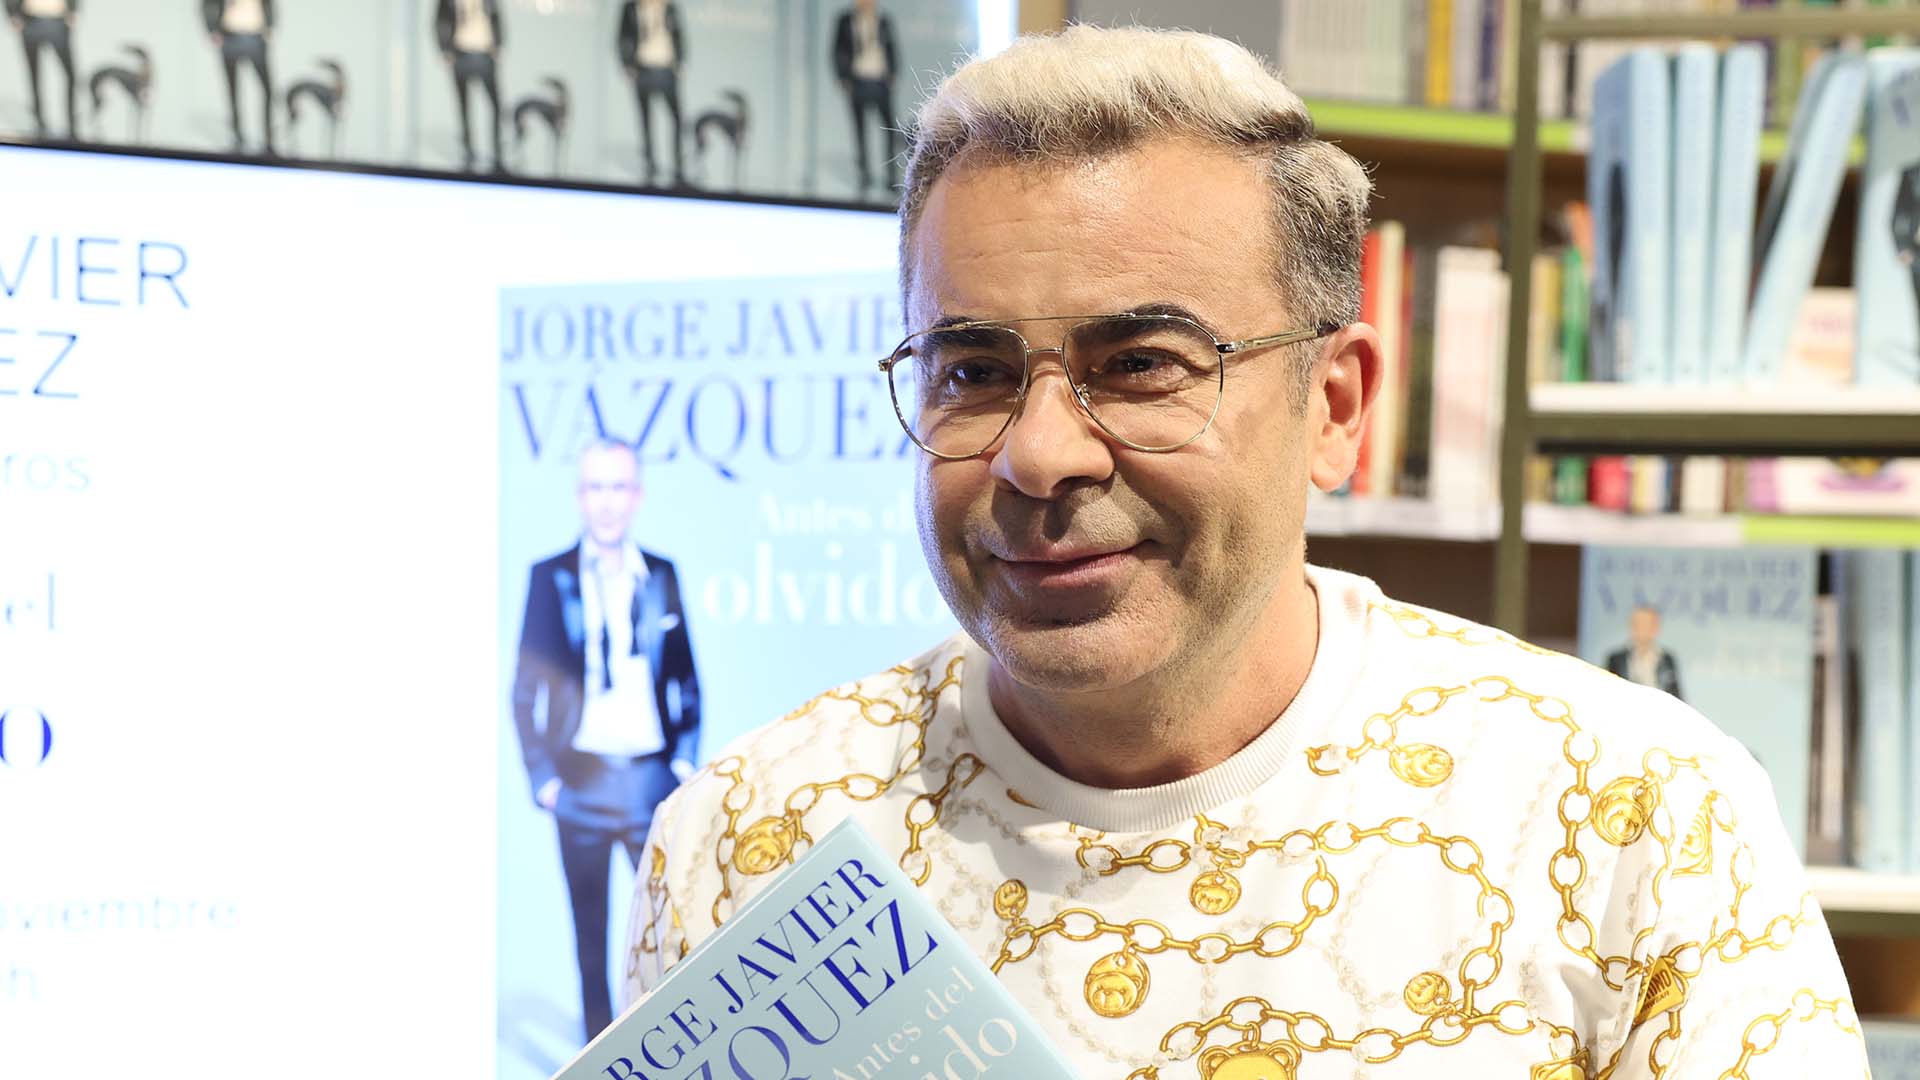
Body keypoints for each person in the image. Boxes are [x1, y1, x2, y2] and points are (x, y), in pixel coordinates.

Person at [624, 26, 1867, 1078]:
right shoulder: (750, 840)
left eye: (1144, 365)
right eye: (973, 371)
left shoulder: (1632, 817)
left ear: (1334, 406)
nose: (1039, 454)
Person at [513, 439, 700, 1042]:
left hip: (648, 777)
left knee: (666, 935)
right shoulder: (550, 577)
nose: (608, 502)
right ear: (580, 497)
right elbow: (523, 690)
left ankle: (666, 1052)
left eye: (619, 487)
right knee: (590, 935)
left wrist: (681, 761)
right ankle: (599, 1056)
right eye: (596, 487)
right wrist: (542, 777)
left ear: (637, 496)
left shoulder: (661, 574)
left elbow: (685, 678)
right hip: (582, 776)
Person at [831, 0, 898, 193]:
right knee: (860, 130)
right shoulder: (845, 21)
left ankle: (891, 175)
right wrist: (842, 76)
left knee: (889, 129)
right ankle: (864, 174)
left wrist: (893, 73)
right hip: (858, 79)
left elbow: (892, 48)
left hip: (880, 80)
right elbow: (837, 49)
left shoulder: (884, 20)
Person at [616, 0, 684, 187]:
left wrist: (680, 62)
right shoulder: (631, 9)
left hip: (666, 69)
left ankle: (679, 165)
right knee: (646, 119)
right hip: (643, 68)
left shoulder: (670, 8)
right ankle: (650, 164)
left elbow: (679, 35)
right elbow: (622, 36)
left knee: (677, 119)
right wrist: (627, 65)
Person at [434, 0, 504, 173]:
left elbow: (497, 18)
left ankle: (497, 152)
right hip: (461, 53)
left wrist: (499, 45)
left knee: (496, 105)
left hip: (484, 53)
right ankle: (468, 151)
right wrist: (445, 50)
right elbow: (439, 21)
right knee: (464, 106)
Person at [201, 0, 274, 155]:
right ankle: (237, 137)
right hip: (230, 37)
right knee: (233, 91)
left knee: (268, 91)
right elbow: (207, 4)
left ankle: (268, 140)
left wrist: (270, 25)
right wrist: (212, 29)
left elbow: (268, 4)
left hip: (255, 37)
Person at [7, 0, 77, 140]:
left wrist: (73, 10)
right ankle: (39, 124)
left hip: (57, 21)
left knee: (70, 76)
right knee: (35, 76)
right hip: (31, 21)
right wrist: (13, 14)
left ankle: (72, 126)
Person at [1606, 603, 1684, 701]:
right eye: (1636, 623)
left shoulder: (1666, 659)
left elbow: (1676, 695)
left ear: (1655, 627)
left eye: (1645, 624)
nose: (1639, 628)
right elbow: (1607, 692)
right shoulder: (1616, 659)